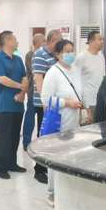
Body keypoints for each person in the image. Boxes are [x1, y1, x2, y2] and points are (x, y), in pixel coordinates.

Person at [41, 39, 83, 205]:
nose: (70, 54)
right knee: (56, 157)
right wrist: (66, 103)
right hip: (59, 121)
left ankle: (67, 190)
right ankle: (51, 192)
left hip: (74, 121)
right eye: (66, 51)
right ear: (57, 54)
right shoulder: (53, 72)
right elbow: (45, 99)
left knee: (71, 156)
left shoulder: (75, 70)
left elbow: (78, 94)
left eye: (72, 50)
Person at [0, 31, 28, 180]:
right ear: (7, 41)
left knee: (14, 136)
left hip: (18, 104)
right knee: (4, 137)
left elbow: (25, 77)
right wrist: (20, 86)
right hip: (4, 104)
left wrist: (22, 93)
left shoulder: (18, 59)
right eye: (15, 39)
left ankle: (12, 163)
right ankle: (1, 167)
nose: (17, 41)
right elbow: (2, 79)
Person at [32, 29, 62, 183]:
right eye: (58, 41)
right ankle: (39, 170)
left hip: (57, 102)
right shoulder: (40, 54)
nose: (61, 43)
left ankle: (50, 165)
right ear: (51, 41)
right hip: (44, 103)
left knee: (54, 136)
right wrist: (45, 102)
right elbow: (38, 79)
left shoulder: (56, 55)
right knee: (44, 136)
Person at [74, 31, 105, 123]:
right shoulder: (81, 57)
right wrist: (86, 107)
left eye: (102, 39)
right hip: (88, 102)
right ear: (91, 42)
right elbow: (76, 80)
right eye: (99, 39)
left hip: (101, 99)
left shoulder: (101, 55)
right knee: (90, 128)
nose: (102, 42)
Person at [22, 33, 46, 150]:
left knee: (42, 119)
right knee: (30, 118)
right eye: (43, 41)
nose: (45, 43)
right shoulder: (30, 55)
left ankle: (41, 141)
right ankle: (26, 142)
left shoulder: (45, 55)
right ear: (37, 43)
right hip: (33, 92)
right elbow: (36, 72)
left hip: (44, 93)